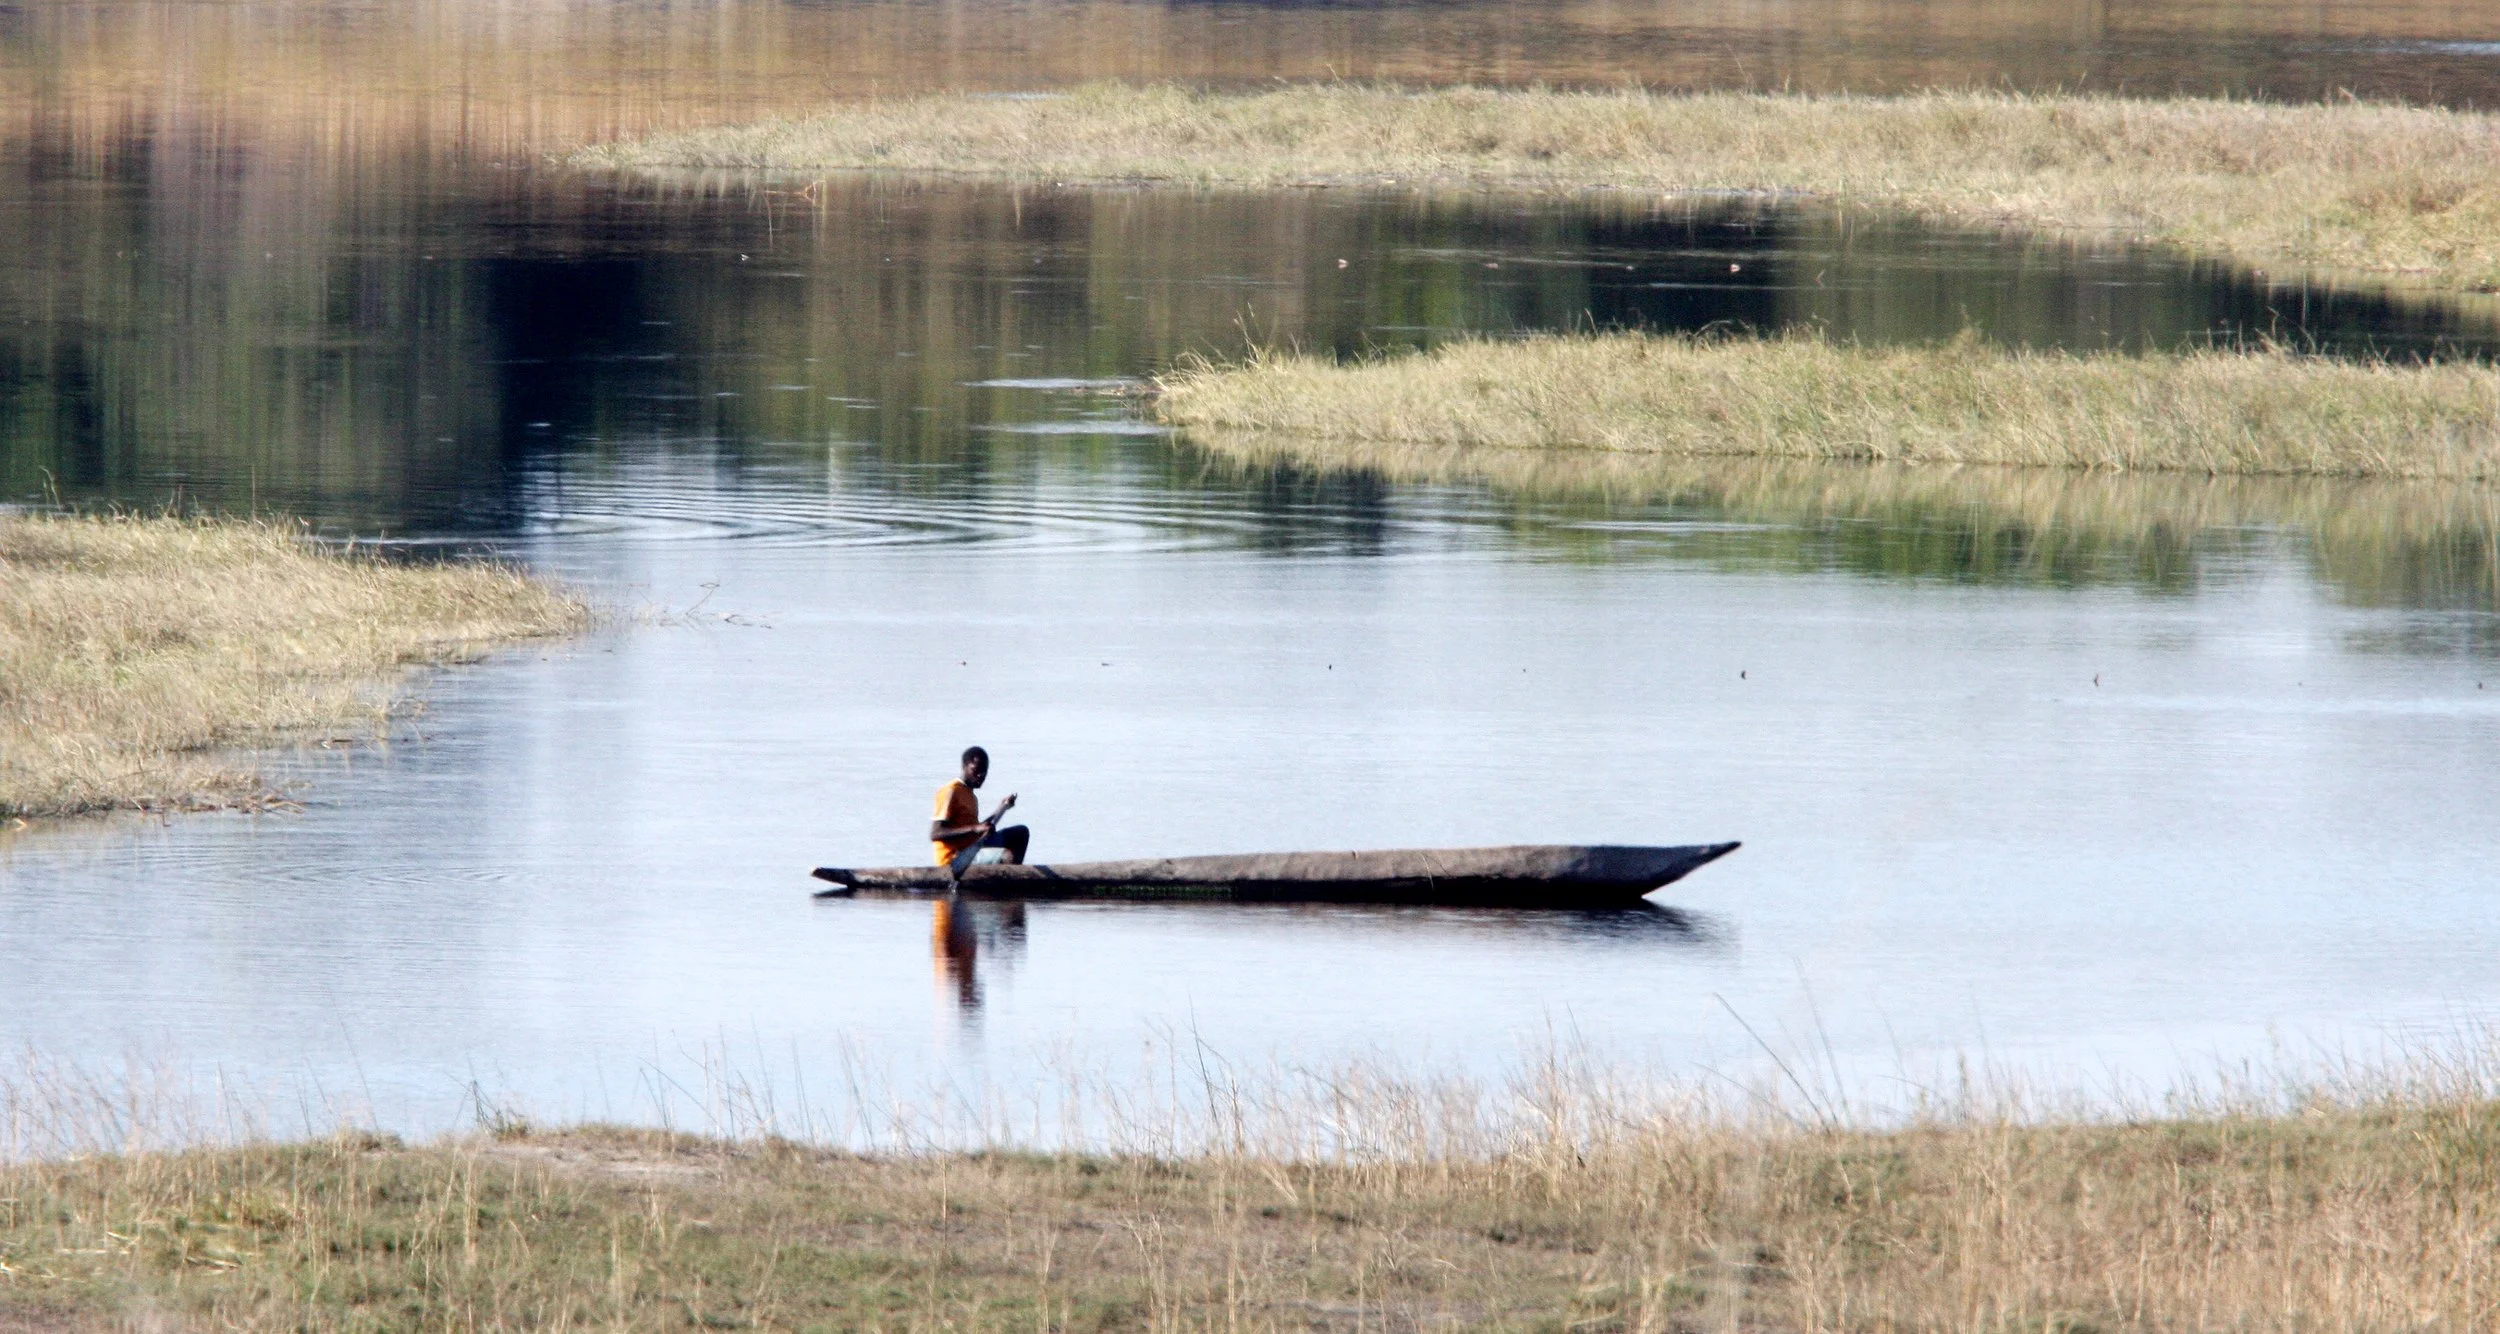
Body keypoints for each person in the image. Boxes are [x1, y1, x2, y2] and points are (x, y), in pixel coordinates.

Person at [930, 745, 1028, 871]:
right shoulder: (950, 791)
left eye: (984, 772)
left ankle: (1013, 878)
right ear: (964, 767)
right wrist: (975, 828)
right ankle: (1009, 885)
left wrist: (1002, 808)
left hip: (972, 847)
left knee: (1020, 833)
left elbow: (980, 830)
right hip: (954, 858)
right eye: (976, 770)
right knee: (1007, 855)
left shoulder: (971, 796)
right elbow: (936, 833)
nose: (980, 775)